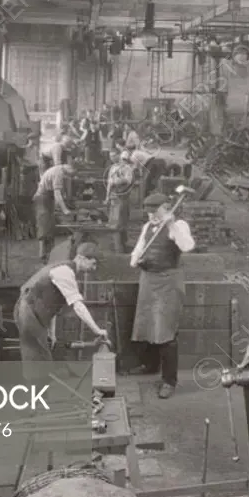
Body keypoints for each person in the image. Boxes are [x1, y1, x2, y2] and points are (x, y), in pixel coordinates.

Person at [129, 193, 196, 399]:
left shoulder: (180, 225)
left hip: (168, 281)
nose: (151, 216)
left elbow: (188, 246)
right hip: (148, 280)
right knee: (147, 324)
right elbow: (138, 249)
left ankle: (169, 381)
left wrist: (172, 225)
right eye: (149, 213)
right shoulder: (147, 227)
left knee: (165, 329)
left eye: (155, 212)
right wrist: (135, 260)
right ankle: (149, 366)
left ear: (166, 209)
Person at [14, 241, 109, 382]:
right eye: (93, 264)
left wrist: (51, 332)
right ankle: (38, 400)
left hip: (31, 311)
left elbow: (51, 304)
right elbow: (78, 306)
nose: (94, 269)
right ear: (82, 258)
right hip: (28, 312)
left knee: (37, 359)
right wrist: (97, 330)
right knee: (39, 360)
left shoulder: (63, 269)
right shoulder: (65, 272)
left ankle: (39, 398)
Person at [33, 159, 75, 263]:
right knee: (44, 227)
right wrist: (64, 209)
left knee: (50, 227)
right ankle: (43, 255)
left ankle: (50, 254)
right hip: (42, 199)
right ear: (69, 167)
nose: (70, 176)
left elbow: (57, 193)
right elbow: (57, 194)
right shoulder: (59, 173)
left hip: (47, 198)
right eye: (71, 174)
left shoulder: (58, 170)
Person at [105, 151, 135, 253]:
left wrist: (118, 181)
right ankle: (119, 246)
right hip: (114, 196)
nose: (112, 158)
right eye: (110, 156)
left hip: (123, 196)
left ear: (118, 155)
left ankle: (120, 249)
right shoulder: (112, 168)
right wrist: (107, 196)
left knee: (120, 222)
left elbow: (128, 181)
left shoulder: (126, 168)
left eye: (114, 155)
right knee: (114, 222)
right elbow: (109, 182)